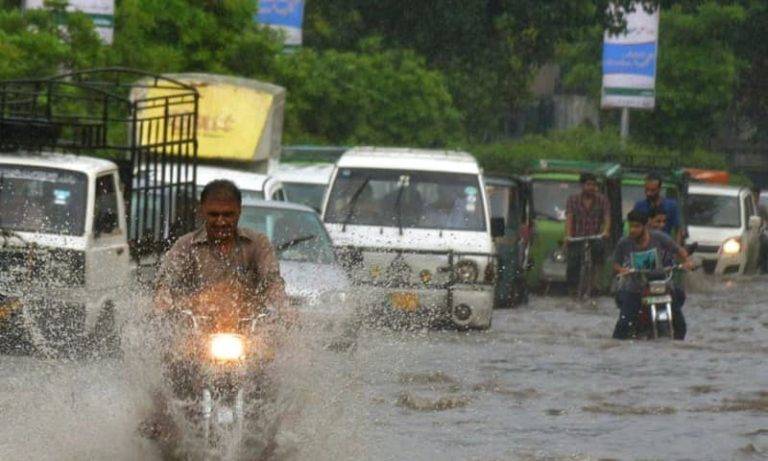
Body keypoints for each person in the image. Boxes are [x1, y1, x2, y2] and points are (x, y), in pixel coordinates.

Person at [144, 179, 292, 443]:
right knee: (171, 369)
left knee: (271, 374)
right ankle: (167, 430)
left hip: (248, 335)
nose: (221, 221)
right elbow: (167, 280)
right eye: (214, 214)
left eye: (228, 214)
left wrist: (283, 308)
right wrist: (163, 301)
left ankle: (267, 437)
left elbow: (272, 281)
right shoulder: (185, 246)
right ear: (202, 211)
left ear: (239, 212)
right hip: (197, 335)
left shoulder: (257, 244)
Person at [613, 210, 695, 340]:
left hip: (661, 284)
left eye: (636, 226)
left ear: (645, 226)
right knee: (622, 325)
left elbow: (678, 250)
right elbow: (616, 264)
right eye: (631, 226)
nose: (633, 230)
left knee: (680, 325)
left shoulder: (659, 238)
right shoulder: (624, 243)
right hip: (635, 288)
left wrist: (687, 262)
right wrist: (622, 270)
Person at [565, 172, 611, 297]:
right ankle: (572, 288)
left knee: (599, 252)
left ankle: (596, 282)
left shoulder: (602, 200)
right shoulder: (572, 200)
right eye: (588, 184)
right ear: (582, 185)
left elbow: (607, 217)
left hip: (595, 236)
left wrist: (606, 231)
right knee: (573, 261)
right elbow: (569, 218)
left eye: (593, 185)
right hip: (577, 236)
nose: (591, 187)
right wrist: (568, 236)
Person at [632, 173, 683, 243]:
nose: (648, 193)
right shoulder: (639, 206)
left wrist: (677, 248)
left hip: (665, 247)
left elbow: (678, 230)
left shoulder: (671, 205)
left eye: (653, 190)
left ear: (659, 189)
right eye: (646, 189)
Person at [750, 187, 768, 273]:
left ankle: (763, 267)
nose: (755, 198)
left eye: (756, 196)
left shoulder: (761, 208)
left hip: (759, 233)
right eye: (753, 195)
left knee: (765, 242)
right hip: (747, 232)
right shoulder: (747, 205)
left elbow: (766, 220)